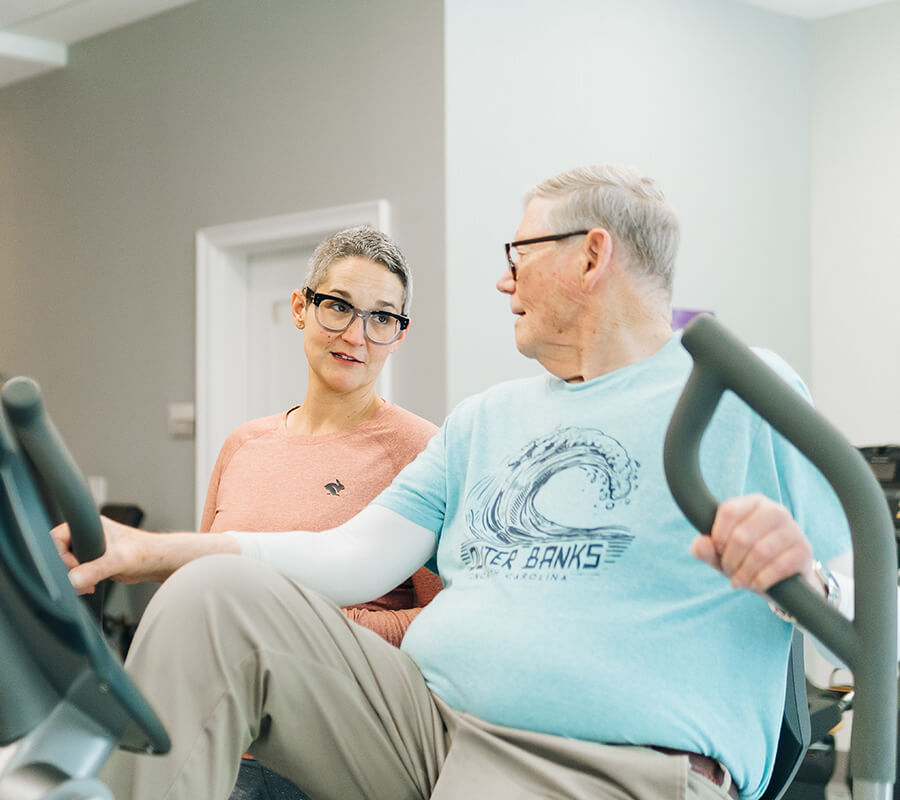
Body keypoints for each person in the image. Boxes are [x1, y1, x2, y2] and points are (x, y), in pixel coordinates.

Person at [55, 164, 850, 800]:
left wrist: (799, 579)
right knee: (215, 599)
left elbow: (860, 611)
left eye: (518, 256)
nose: (504, 283)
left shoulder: (736, 387)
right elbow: (350, 558)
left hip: (604, 766)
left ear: (590, 255)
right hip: (428, 731)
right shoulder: (486, 418)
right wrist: (148, 550)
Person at [199, 225, 442, 800]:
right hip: (224, 743)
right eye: (338, 306)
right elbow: (203, 582)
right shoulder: (243, 445)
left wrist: (328, 630)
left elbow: (451, 617)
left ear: (399, 335)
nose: (357, 335)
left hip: (337, 756)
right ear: (300, 309)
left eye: (382, 318)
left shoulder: (421, 451)